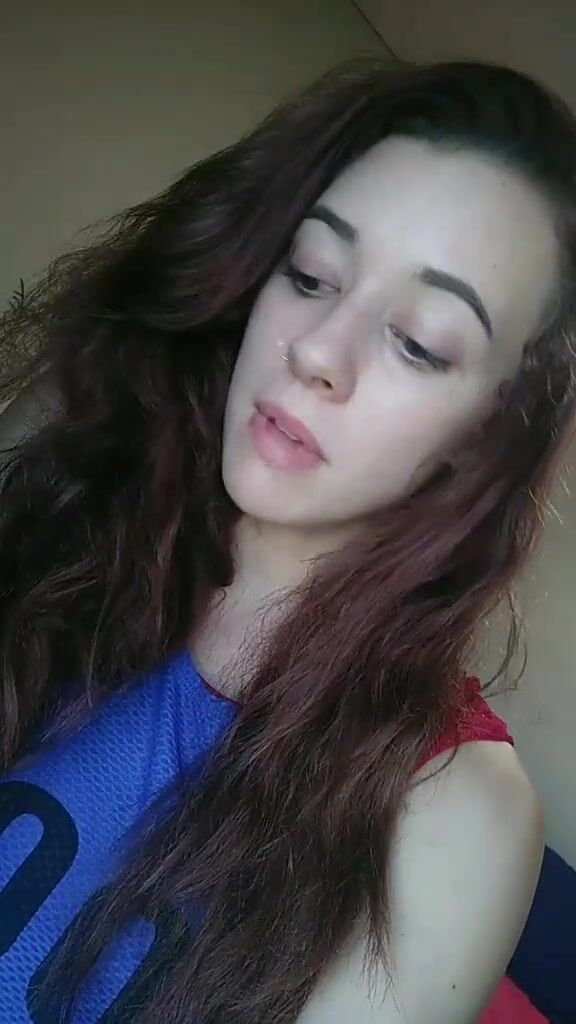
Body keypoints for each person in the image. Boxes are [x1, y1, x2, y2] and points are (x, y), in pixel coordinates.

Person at [0, 56, 574, 1024]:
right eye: (310, 275)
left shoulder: (454, 813)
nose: (315, 349)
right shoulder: (85, 490)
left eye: (418, 341)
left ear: (488, 431)